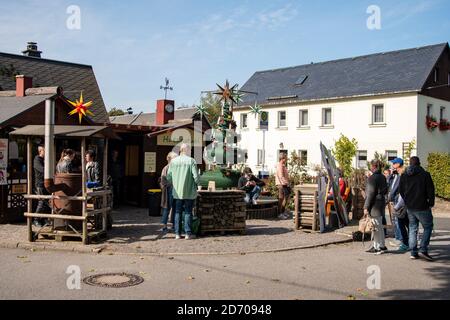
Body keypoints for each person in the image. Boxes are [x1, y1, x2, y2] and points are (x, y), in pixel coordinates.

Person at [399, 156, 435, 261]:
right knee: (428, 226)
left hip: (410, 206)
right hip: (423, 205)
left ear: (410, 164)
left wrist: (407, 200)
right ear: (419, 163)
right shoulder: (425, 175)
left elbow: (401, 191)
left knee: (413, 228)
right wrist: (431, 203)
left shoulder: (404, 175)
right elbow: (430, 190)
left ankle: (413, 252)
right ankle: (423, 249)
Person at [167, 144, 200, 240]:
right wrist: (198, 184)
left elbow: (168, 177)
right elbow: (196, 177)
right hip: (189, 192)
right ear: (187, 150)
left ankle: (177, 233)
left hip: (177, 192)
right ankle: (187, 233)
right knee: (188, 212)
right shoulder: (191, 161)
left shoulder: (173, 161)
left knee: (177, 212)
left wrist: (175, 183)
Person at [364, 160, 388, 254]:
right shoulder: (382, 176)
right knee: (379, 226)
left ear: (373, 167)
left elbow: (370, 193)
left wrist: (366, 206)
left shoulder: (372, 178)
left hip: (374, 205)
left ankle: (378, 247)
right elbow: (386, 190)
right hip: (381, 202)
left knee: (376, 226)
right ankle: (381, 246)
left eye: (371, 166)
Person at [388, 158, 409, 252]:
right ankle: (400, 239)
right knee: (397, 220)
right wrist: (391, 174)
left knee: (400, 221)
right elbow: (389, 183)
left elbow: (399, 189)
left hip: (400, 201)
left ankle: (402, 240)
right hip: (396, 200)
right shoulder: (395, 174)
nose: (392, 165)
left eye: (394, 163)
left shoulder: (402, 175)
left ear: (398, 164)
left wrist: (391, 198)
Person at [160, 152, 178, 233]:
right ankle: (164, 226)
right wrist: (172, 183)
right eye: (175, 158)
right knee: (167, 208)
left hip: (176, 191)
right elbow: (163, 181)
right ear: (170, 159)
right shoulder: (166, 168)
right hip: (168, 190)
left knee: (175, 208)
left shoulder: (177, 168)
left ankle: (174, 225)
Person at [33, 145, 50, 227]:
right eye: (44, 150)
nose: (46, 152)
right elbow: (42, 170)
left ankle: (45, 219)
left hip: (46, 183)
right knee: (42, 201)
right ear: (40, 151)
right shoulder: (37, 160)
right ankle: (36, 219)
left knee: (47, 202)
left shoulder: (45, 160)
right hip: (40, 184)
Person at [275, 153, 291, 219]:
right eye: (285, 158)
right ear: (282, 158)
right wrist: (287, 183)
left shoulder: (283, 165)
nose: (286, 159)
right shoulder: (280, 165)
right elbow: (281, 176)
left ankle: (283, 212)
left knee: (286, 198)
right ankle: (279, 214)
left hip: (284, 184)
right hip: (281, 184)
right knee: (281, 199)